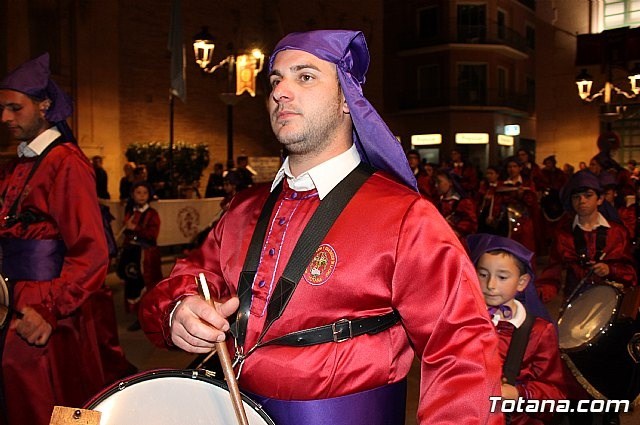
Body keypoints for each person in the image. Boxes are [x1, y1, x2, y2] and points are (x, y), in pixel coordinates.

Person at [140, 29, 502, 425]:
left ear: (347, 99)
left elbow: (463, 352)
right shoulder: (244, 208)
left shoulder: (406, 217)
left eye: (305, 76)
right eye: (276, 80)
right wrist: (178, 310)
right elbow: (188, 277)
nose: (281, 91)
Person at [0, 53, 122, 424]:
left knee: (50, 404)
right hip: (13, 298)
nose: (4, 118)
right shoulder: (18, 164)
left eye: (13, 108)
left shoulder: (66, 162)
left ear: (44, 106)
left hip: (48, 306)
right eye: (2, 108)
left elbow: (92, 250)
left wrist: (51, 309)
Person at [467, 234, 568, 425]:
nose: (490, 285)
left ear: (522, 283)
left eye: (502, 277)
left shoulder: (537, 331)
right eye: (483, 274)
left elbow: (555, 396)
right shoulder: (464, 320)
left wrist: (520, 394)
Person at [536, 170, 637, 303]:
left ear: (600, 199)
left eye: (588, 195)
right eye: (576, 197)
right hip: (575, 304)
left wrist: (610, 269)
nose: (582, 201)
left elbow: (631, 273)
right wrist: (535, 296)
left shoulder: (617, 232)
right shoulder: (563, 234)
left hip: (610, 304)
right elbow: (552, 274)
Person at [117, 181, 162, 329]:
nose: (141, 196)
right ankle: (137, 314)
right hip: (133, 254)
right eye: (138, 192)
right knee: (133, 283)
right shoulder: (130, 212)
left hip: (146, 257)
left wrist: (135, 228)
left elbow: (152, 234)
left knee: (146, 285)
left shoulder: (152, 214)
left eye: (145, 193)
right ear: (133, 195)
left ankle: (147, 316)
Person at [434, 169, 477, 240]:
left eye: (439, 182)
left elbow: (471, 224)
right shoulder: (437, 202)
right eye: (435, 182)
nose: (436, 185)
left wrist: (455, 228)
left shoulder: (464, 203)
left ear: (450, 183)